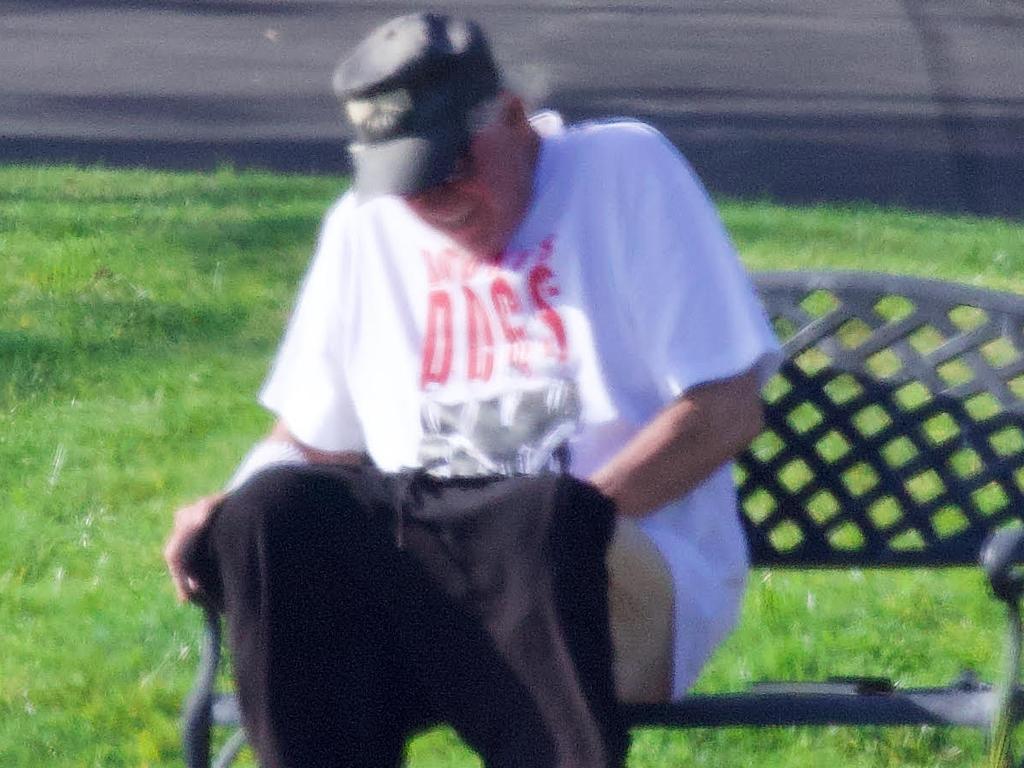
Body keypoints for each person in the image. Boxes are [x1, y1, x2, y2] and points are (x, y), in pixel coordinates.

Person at [164, 10, 780, 765]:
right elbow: (306, 441)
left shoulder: (623, 171)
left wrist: (574, 523)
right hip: (426, 588)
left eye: (451, 166)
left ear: (514, 117)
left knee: (535, 518)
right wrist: (227, 503)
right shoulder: (363, 229)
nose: (434, 200)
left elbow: (726, 409)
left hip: (606, 581)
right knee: (273, 512)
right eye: (406, 182)